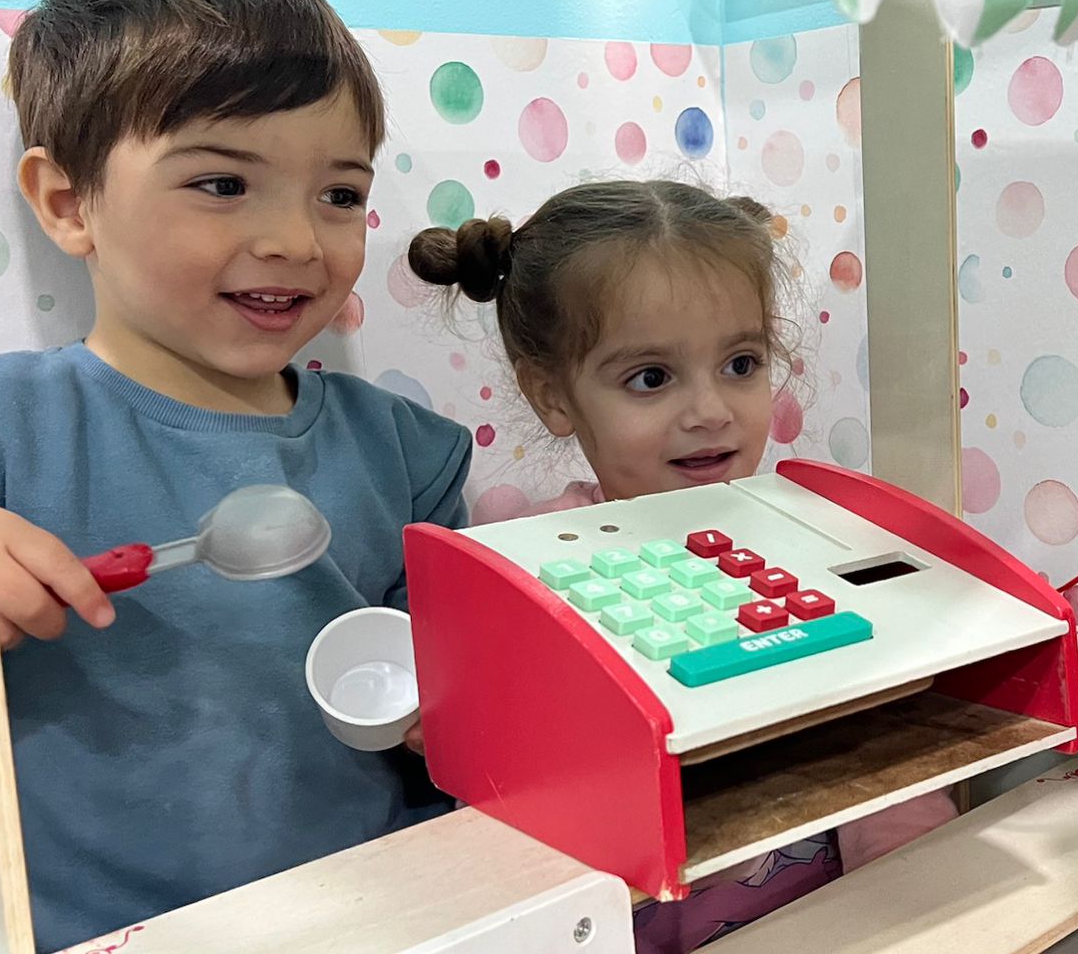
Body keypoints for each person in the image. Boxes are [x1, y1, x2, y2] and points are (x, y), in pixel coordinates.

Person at [0, 0, 469, 951]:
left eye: (340, 193)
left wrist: (465, 710)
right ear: (69, 203)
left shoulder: (406, 453)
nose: (298, 238)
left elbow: (463, 725)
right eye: (221, 183)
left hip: (379, 919)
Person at [408, 179, 955, 951]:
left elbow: (887, 756)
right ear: (553, 397)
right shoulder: (519, 575)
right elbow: (507, 832)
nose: (710, 410)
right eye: (651, 378)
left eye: (741, 362)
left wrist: (925, 910)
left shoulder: (817, 535)